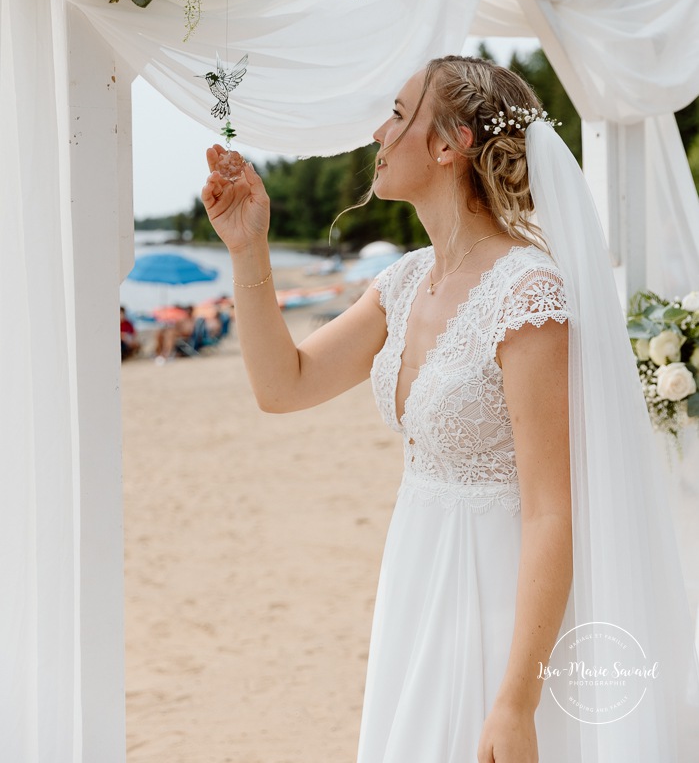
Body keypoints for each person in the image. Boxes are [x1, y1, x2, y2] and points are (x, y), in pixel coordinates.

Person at [202, 56, 699, 762]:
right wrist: (247, 247)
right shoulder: (403, 282)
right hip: (417, 577)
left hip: (496, 596)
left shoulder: (526, 293)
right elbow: (283, 385)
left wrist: (516, 702)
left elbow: (550, 509)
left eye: (399, 113)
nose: (379, 129)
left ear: (449, 144)